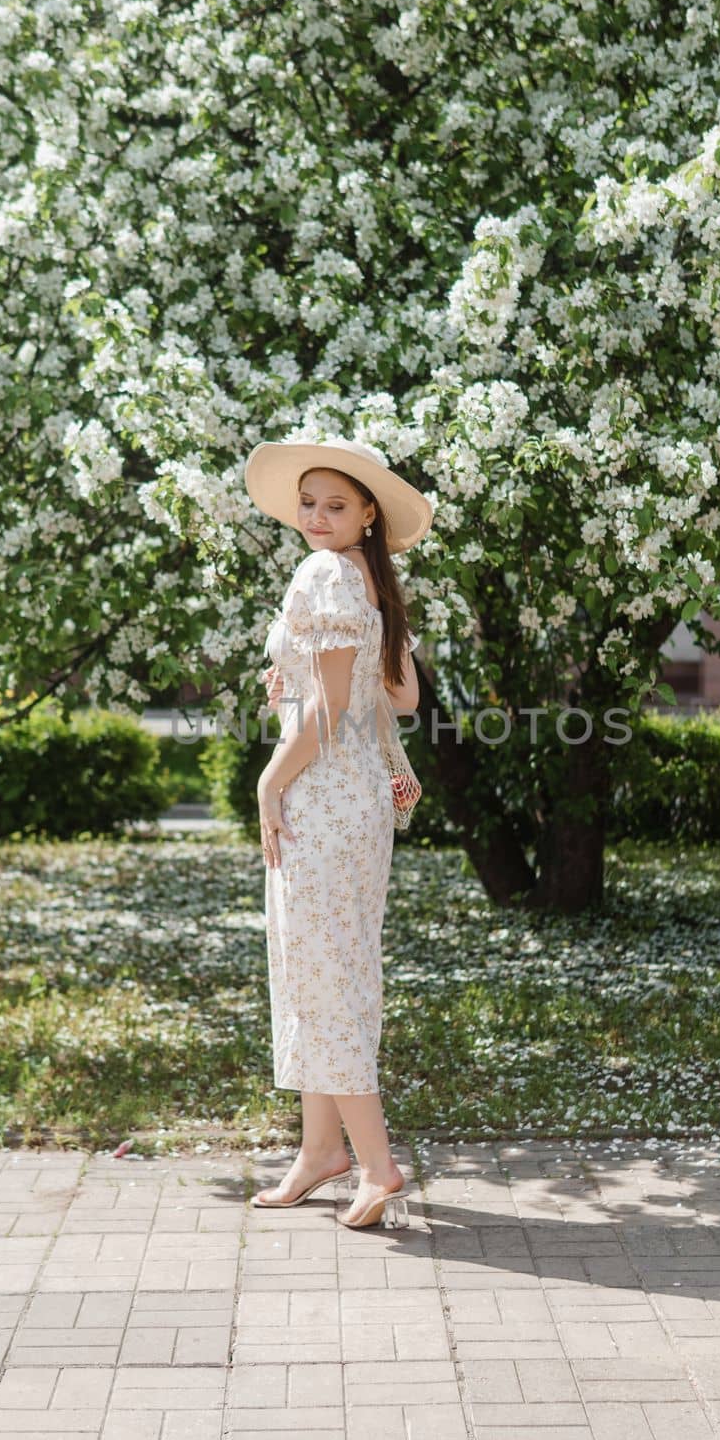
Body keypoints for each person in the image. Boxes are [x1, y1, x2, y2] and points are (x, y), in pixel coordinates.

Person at [241, 435, 434, 1230]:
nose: (317, 516)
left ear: (365, 518)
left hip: (320, 796)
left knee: (320, 973)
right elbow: (403, 695)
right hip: (356, 805)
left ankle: (377, 1163)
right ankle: (321, 1152)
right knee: (331, 968)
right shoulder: (367, 582)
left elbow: (325, 713)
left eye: (336, 505)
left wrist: (269, 779)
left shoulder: (324, 573)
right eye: (309, 502)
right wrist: (303, 682)